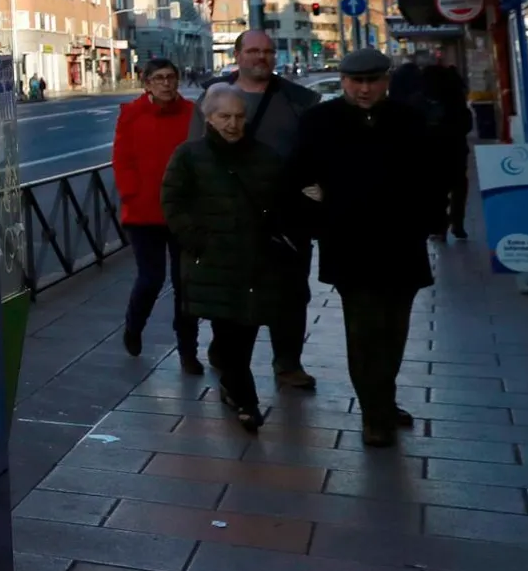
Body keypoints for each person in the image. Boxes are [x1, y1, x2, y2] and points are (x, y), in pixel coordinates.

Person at [291, 49, 441, 447]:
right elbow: (300, 178)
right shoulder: (319, 121)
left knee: (394, 329)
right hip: (350, 244)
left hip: (402, 242)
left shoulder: (409, 119)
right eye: (356, 81)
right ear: (343, 81)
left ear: (386, 80)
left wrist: (427, 220)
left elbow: (431, 174)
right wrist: (321, 217)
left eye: (372, 80)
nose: (364, 88)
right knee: (363, 330)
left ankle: (384, 399)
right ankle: (374, 414)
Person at [189, 29, 321, 389]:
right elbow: (195, 155)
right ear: (237, 55)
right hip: (229, 217)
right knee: (231, 289)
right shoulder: (213, 97)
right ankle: (224, 350)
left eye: (266, 51)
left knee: (291, 293)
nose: (260, 57)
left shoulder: (298, 100)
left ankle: (288, 362)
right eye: (252, 51)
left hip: (286, 217)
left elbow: (315, 153)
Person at [162, 84, 299, 432]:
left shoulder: (265, 157)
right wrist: (197, 241)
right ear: (209, 118)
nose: (233, 124)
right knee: (228, 327)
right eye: (224, 117)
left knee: (246, 327)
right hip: (212, 260)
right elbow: (172, 202)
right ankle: (246, 399)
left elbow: (284, 203)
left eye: (239, 117)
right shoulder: (189, 156)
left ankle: (231, 385)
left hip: (256, 261)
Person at [113, 58, 202, 372]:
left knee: (186, 284)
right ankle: (134, 326)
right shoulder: (132, 115)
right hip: (144, 213)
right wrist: (131, 193)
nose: (167, 83)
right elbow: (122, 159)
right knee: (151, 279)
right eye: (159, 78)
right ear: (147, 83)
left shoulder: (193, 114)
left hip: (183, 212)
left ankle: (188, 350)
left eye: (171, 77)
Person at [424, 54, 472, 239]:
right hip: (456, 150)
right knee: (459, 187)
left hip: (432, 153)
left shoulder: (424, 100)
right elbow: (466, 125)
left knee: (436, 191)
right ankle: (457, 224)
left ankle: (440, 227)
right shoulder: (456, 101)